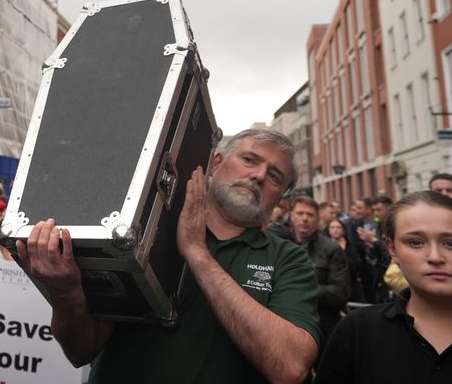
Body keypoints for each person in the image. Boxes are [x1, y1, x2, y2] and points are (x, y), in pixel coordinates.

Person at [19, 128, 319, 383]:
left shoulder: (288, 259)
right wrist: (65, 296)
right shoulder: (145, 229)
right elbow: (81, 350)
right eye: (249, 160)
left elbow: (289, 369)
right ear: (216, 163)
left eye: (275, 176)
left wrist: (197, 253)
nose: (259, 175)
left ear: (280, 198)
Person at [315, 191, 452, 382]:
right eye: (416, 242)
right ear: (393, 251)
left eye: (451, 243)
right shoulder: (357, 332)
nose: (435, 257)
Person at [288, 196, 349, 353]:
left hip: (323, 325)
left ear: (318, 218)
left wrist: (305, 290)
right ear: (291, 216)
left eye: (310, 214)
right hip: (287, 322)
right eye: (300, 213)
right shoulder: (282, 245)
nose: (305, 219)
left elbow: (341, 293)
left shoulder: (331, 249)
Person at [344, 197, 388, 303]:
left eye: (360, 208)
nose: (358, 211)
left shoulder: (383, 224)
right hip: (369, 269)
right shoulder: (355, 223)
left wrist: (373, 241)